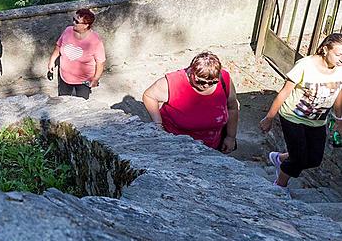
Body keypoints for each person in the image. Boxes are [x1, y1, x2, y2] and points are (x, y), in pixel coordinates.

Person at [259, 33, 342, 189]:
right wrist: (269, 118)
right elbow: (284, 92)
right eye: (338, 54)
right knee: (299, 159)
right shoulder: (305, 66)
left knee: (314, 160)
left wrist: (339, 119)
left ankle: (280, 158)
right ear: (325, 49)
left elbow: (339, 93)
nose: (341, 59)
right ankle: (279, 186)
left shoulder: (340, 69)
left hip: (317, 121)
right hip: (292, 117)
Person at [142, 51, 239, 153]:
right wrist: (158, 124)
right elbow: (149, 96)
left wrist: (230, 137)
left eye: (212, 83)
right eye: (200, 81)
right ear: (191, 72)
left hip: (212, 147)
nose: (205, 85)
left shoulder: (224, 80)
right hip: (177, 149)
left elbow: (232, 107)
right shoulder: (173, 83)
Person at [47, 9, 106, 100]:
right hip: (64, 77)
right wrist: (52, 61)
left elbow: (100, 62)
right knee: (63, 101)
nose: (73, 22)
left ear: (86, 25)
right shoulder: (68, 31)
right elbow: (58, 46)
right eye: (73, 19)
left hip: (83, 81)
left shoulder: (95, 41)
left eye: (76, 21)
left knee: (82, 104)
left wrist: (95, 79)